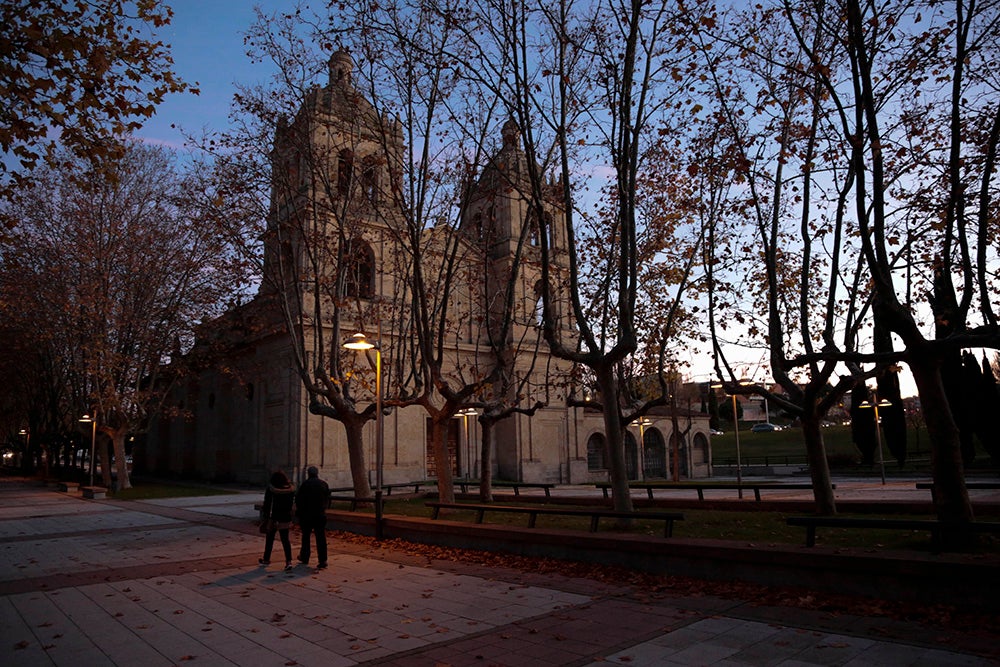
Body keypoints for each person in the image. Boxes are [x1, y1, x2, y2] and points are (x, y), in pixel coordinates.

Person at [259, 470, 296, 571]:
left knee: (269, 539)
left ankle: (266, 559)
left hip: (274, 517)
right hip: (285, 517)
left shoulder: (271, 489)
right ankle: (288, 561)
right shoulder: (290, 490)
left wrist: (265, 516)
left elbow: (267, 503)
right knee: (285, 540)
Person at [295, 465, 330, 568]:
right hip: (320, 514)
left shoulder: (305, 485)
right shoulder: (324, 484)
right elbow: (327, 497)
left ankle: (305, 557)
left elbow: (299, 500)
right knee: (321, 538)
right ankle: (323, 560)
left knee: (306, 536)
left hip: (307, 515)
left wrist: (300, 512)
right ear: (317, 473)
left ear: (309, 474)